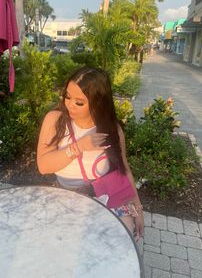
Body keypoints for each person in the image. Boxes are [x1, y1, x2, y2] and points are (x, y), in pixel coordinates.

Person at [37, 67, 144, 241]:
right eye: (67, 96)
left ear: (97, 103)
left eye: (79, 102)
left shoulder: (111, 129)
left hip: (105, 194)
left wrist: (137, 208)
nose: (69, 105)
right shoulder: (55, 120)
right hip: (66, 197)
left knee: (123, 239)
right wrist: (78, 147)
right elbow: (43, 166)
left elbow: (123, 168)